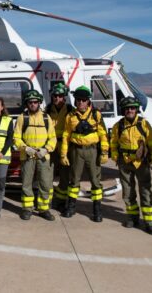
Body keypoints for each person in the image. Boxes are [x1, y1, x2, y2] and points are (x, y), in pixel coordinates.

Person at [110, 96, 152, 234]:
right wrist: (115, 156)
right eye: (127, 108)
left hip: (141, 163)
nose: (130, 110)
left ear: (136, 109)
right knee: (128, 192)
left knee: (146, 192)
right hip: (125, 162)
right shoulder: (118, 126)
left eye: (132, 108)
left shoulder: (144, 124)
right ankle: (132, 217)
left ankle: (150, 221)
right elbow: (113, 143)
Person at [60, 85, 108, 222]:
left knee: (95, 181)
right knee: (74, 180)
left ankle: (97, 210)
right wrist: (64, 154)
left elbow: (103, 134)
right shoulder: (70, 116)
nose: (81, 102)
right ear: (75, 101)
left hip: (92, 151)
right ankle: (71, 207)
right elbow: (66, 135)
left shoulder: (96, 114)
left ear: (88, 101)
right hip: (76, 151)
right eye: (78, 100)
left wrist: (104, 152)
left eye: (83, 100)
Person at [14, 90, 57, 221]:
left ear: (39, 102)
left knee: (45, 184)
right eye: (30, 102)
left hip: (43, 156)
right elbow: (16, 137)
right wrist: (25, 148)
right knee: (26, 184)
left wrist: (46, 149)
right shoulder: (22, 117)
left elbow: (53, 138)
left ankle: (44, 209)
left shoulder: (46, 118)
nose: (32, 104)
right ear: (26, 103)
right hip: (27, 156)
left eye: (35, 102)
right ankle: (27, 209)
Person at [46, 82, 73, 212]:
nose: (57, 98)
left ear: (65, 97)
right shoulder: (47, 110)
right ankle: (48, 200)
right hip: (50, 146)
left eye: (60, 96)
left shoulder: (70, 110)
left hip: (64, 147)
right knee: (48, 174)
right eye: (55, 96)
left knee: (64, 176)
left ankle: (61, 201)